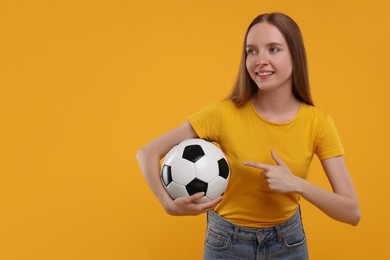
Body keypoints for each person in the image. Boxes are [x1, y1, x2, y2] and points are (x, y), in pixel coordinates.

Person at [136, 12, 360, 259]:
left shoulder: (318, 123)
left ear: (295, 55)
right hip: (226, 242)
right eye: (251, 51)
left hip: (288, 243)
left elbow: (351, 212)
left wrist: (296, 184)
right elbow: (147, 153)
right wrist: (168, 205)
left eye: (273, 49)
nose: (260, 60)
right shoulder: (222, 113)